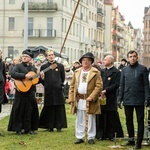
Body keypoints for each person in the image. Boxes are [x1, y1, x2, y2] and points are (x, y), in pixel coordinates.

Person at [118, 50, 150, 149]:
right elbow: (122, 85)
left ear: (137, 57)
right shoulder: (124, 70)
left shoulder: (143, 69)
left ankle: (138, 143)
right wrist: (119, 98)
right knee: (128, 120)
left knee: (140, 121)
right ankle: (131, 140)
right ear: (128, 58)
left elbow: (146, 85)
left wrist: (147, 98)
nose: (132, 58)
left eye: (134, 56)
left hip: (139, 98)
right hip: (127, 98)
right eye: (130, 56)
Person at [68, 52, 103, 144]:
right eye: (84, 61)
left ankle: (91, 136)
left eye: (88, 61)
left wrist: (92, 97)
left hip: (90, 99)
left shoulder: (95, 72)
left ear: (91, 62)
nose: (85, 62)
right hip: (80, 99)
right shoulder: (77, 72)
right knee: (79, 117)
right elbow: (72, 86)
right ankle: (80, 136)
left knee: (91, 117)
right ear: (81, 62)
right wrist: (71, 98)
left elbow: (99, 86)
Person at [8, 49, 39, 135]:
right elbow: (13, 74)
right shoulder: (18, 66)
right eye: (23, 56)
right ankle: (18, 128)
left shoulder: (33, 68)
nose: (24, 58)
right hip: (21, 92)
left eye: (27, 56)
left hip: (31, 92)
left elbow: (35, 80)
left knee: (30, 110)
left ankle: (29, 128)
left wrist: (41, 78)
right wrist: (24, 75)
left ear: (31, 58)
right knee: (19, 110)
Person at [96, 55, 124, 141]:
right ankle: (101, 134)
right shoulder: (102, 71)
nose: (103, 61)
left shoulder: (117, 72)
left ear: (111, 61)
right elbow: (99, 82)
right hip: (101, 96)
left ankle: (112, 134)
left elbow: (116, 84)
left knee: (111, 116)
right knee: (101, 115)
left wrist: (106, 91)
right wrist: (100, 91)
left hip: (111, 97)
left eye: (105, 60)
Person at [39, 49, 67, 132]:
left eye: (52, 55)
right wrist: (44, 80)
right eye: (49, 55)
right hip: (48, 90)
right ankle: (49, 126)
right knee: (49, 107)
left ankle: (59, 126)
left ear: (54, 56)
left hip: (58, 90)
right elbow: (41, 79)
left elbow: (63, 78)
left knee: (59, 107)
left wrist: (59, 85)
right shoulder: (44, 67)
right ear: (47, 57)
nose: (51, 56)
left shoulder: (60, 66)